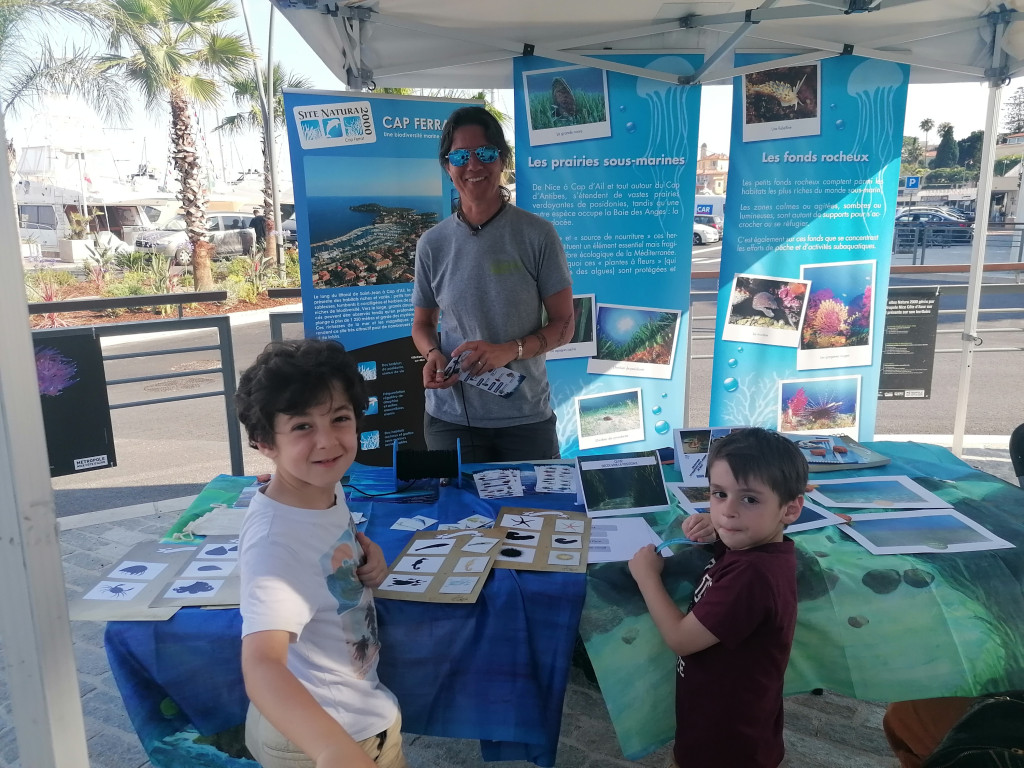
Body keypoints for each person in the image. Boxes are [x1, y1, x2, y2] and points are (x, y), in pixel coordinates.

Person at [235, 339, 406, 768]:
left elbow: (326, 555)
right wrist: (332, 749)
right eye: (302, 427)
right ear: (263, 442)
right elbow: (262, 664)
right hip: (324, 740)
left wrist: (367, 559)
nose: (328, 441)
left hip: (357, 712)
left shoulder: (321, 489)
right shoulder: (275, 543)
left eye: (339, 418)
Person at [628, 427, 807, 768]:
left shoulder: (752, 577)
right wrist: (712, 528)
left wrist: (647, 577)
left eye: (749, 499)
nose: (728, 511)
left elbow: (681, 639)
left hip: (724, 744)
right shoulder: (762, 549)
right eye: (718, 494)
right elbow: (733, 528)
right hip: (731, 725)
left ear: (790, 509)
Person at [411, 105, 574, 463]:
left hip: (526, 419)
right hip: (449, 419)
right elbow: (423, 324)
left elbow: (565, 325)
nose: (473, 166)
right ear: (446, 165)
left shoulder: (537, 235)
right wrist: (433, 354)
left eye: (485, 153)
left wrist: (510, 350)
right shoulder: (432, 243)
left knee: (535, 516)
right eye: (460, 155)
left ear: (502, 161)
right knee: (455, 519)